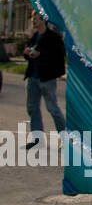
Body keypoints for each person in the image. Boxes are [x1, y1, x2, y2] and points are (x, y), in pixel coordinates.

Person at [24, 14, 66, 149]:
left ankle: (67, 140)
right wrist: (27, 53)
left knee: (52, 108)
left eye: (35, 19)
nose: (33, 21)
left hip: (47, 78)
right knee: (32, 107)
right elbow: (29, 56)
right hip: (33, 77)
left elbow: (59, 56)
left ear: (43, 20)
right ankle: (37, 140)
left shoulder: (53, 37)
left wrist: (41, 54)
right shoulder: (34, 37)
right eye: (32, 19)